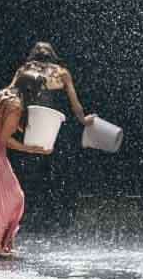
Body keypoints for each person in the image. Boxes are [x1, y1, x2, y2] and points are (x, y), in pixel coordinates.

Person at [9, 42, 95, 229]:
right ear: (52, 56)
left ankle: (30, 216)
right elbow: (76, 105)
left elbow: (10, 95)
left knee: (32, 172)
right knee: (59, 171)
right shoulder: (61, 73)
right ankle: (62, 218)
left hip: (32, 125)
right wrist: (83, 120)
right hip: (54, 126)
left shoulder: (25, 70)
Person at [0, 69, 50, 257]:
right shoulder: (15, 104)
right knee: (14, 198)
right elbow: (5, 138)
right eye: (37, 91)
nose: (39, 95)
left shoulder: (2, 96)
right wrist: (33, 149)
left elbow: (1, 125)